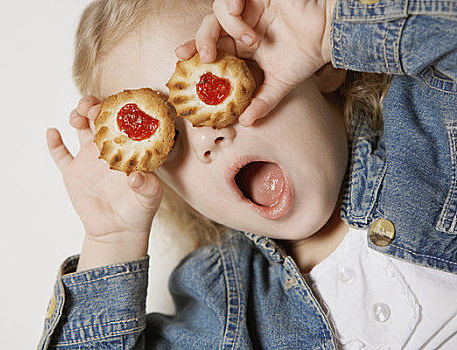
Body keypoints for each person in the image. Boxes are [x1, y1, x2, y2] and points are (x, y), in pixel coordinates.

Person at [39, 0, 457, 348]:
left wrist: (337, 27)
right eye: (171, 144)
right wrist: (111, 243)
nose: (208, 138)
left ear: (318, 67)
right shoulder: (223, 306)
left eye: (212, 84)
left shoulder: (432, 128)